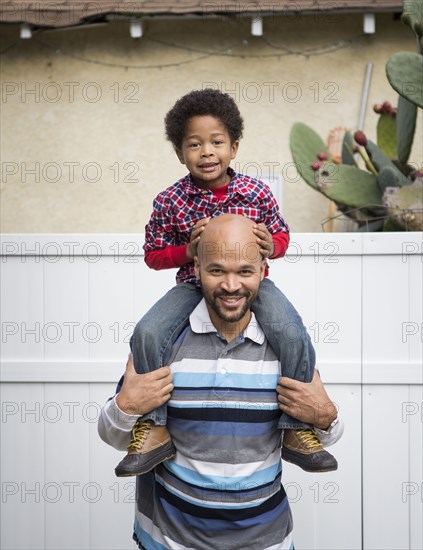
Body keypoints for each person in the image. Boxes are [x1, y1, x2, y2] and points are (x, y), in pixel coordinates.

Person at [114, 88, 337, 478]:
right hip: (191, 285)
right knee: (148, 332)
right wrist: (187, 252)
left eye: (217, 142)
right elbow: (153, 254)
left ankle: (298, 428)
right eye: (194, 144)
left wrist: (272, 244)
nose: (207, 152)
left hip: (256, 285)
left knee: (292, 331)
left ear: (234, 147)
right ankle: (155, 425)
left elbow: (281, 239)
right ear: (179, 152)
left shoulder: (255, 193)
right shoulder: (171, 200)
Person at [98, 214, 343, 550]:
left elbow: (324, 436)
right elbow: (114, 436)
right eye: (217, 271)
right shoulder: (164, 344)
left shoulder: (286, 347)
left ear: (262, 271)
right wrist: (126, 407)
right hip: (168, 542)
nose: (231, 286)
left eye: (244, 271)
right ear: (196, 268)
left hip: (266, 541)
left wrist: (326, 416)